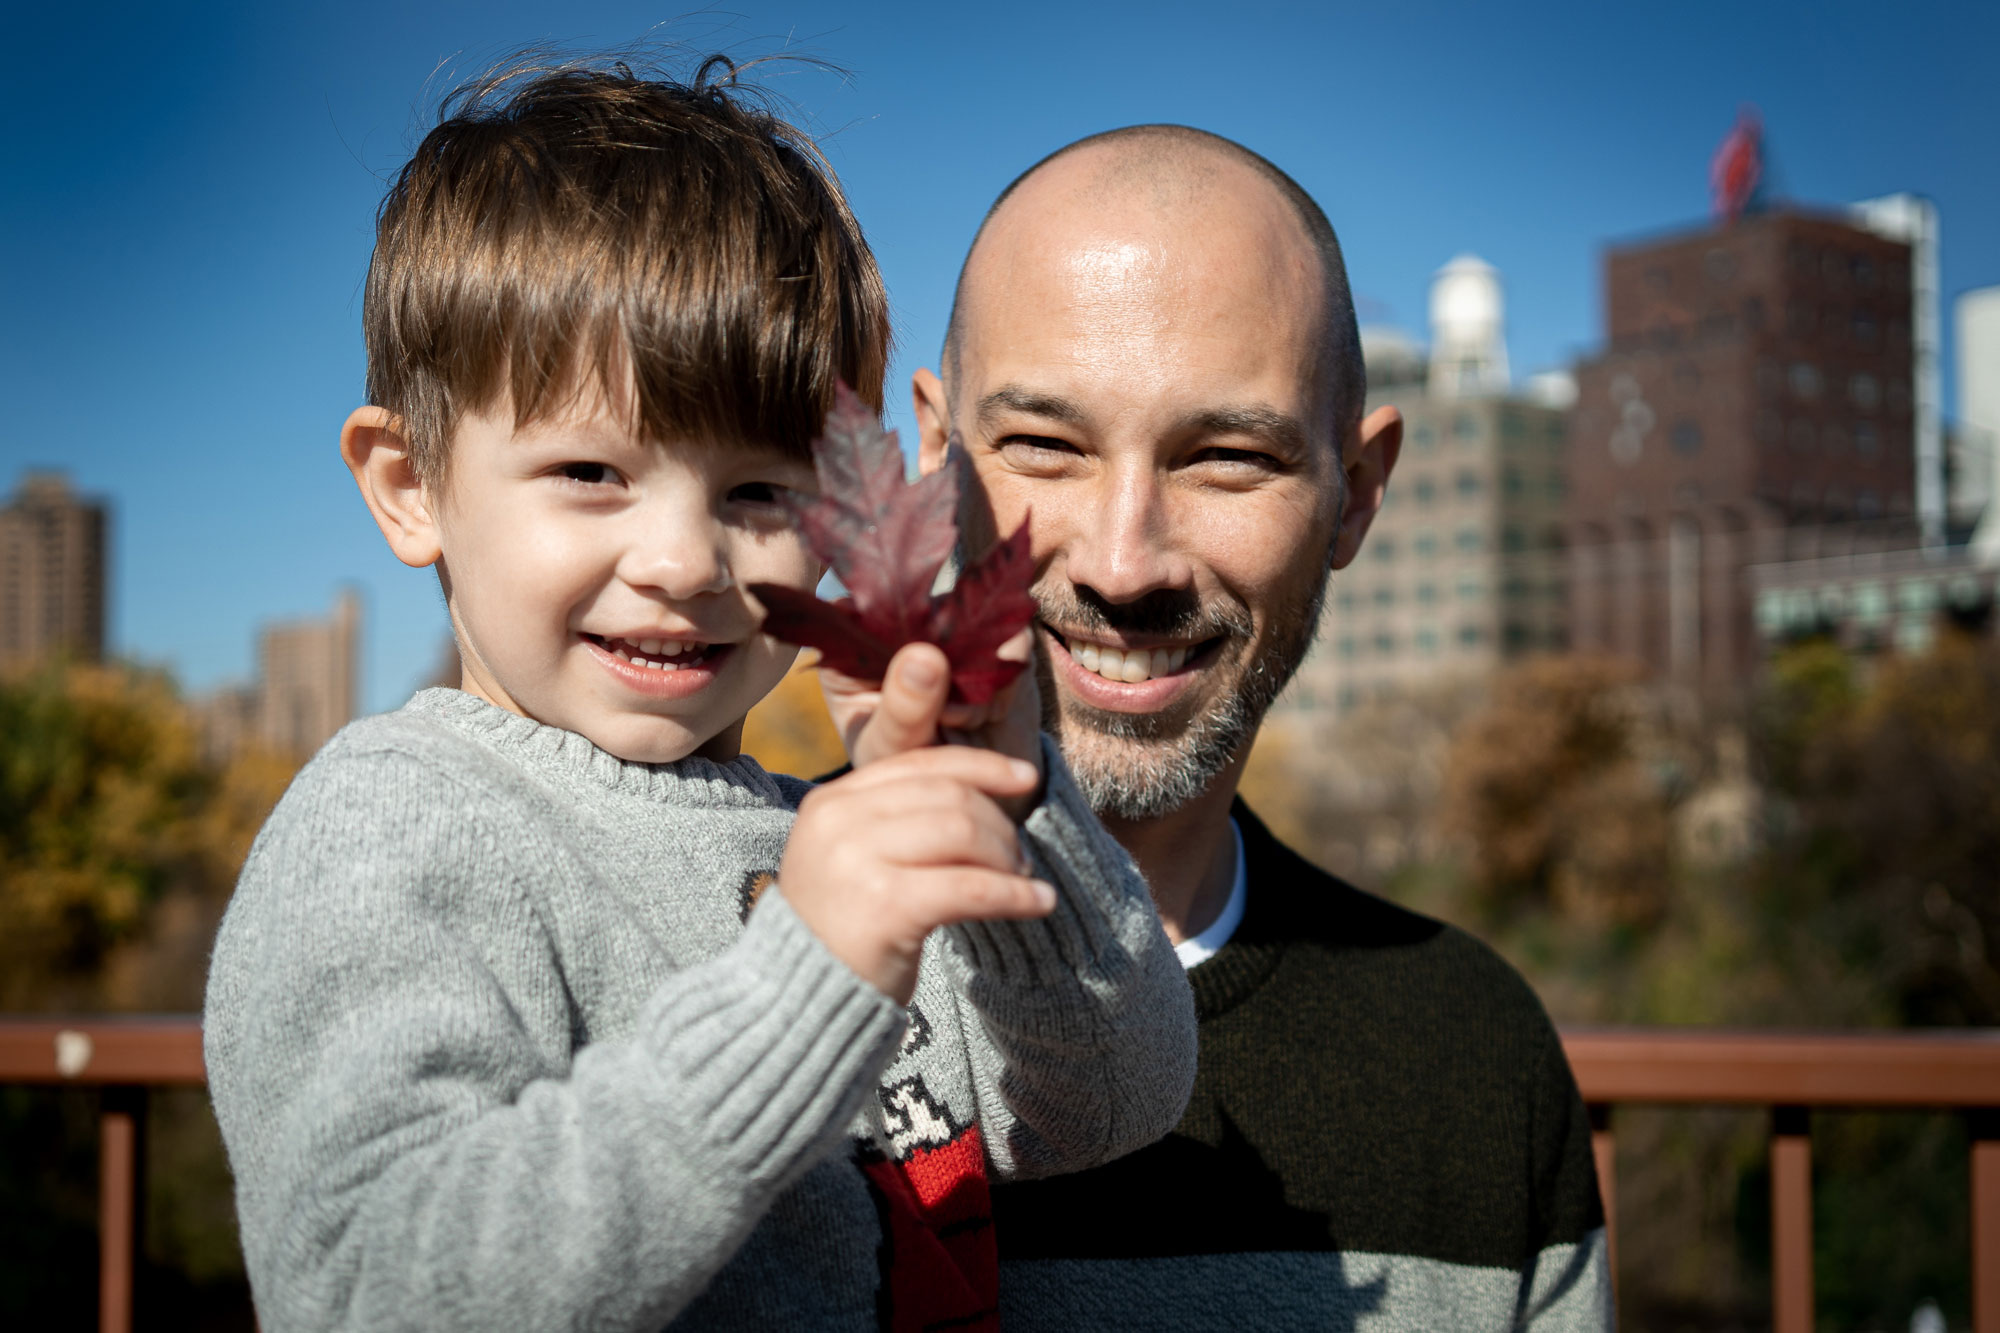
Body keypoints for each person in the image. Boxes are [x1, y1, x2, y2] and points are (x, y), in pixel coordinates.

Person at [201, 62, 1195, 1332]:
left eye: (757, 494)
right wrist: (807, 981)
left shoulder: (818, 842)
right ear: (408, 484)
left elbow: (1107, 1105)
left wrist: (1009, 811)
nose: (680, 561)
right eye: (589, 470)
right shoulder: (397, 829)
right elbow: (375, 1289)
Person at [900, 125, 1611, 1329]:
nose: (1123, 562)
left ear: (1358, 494)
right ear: (931, 453)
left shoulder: (1473, 1059)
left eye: (1227, 457)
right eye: (1043, 448)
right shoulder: (704, 945)